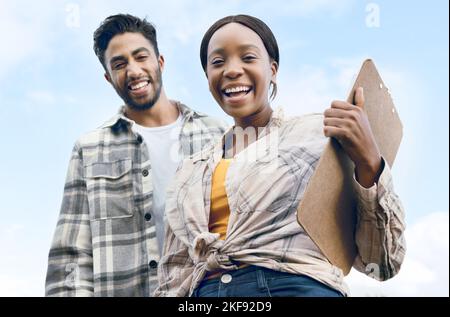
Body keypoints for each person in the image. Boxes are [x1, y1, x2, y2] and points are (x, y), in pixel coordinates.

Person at [154, 14, 406, 297]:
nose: (232, 70)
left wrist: (369, 162)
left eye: (248, 57)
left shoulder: (320, 137)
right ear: (208, 77)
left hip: (294, 287)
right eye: (218, 62)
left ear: (273, 70)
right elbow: (173, 276)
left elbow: (382, 263)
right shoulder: (189, 172)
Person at [45, 14, 227, 297]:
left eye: (141, 57)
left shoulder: (216, 134)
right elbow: (70, 256)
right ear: (109, 78)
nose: (133, 71)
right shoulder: (89, 148)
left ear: (160, 62)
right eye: (119, 64)